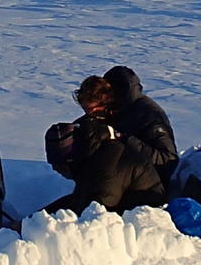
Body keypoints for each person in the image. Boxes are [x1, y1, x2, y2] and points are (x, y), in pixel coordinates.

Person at [43, 75, 167, 215]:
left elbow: (166, 159)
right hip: (117, 179)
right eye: (86, 110)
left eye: (93, 109)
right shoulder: (91, 128)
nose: (90, 115)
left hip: (151, 195)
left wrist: (122, 137)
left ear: (106, 99)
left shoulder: (147, 115)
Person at [100, 65, 178, 185]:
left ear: (119, 92)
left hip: (148, 184)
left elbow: (167, 159)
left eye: (106, 92)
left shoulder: (150, 115)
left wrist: (124, 139)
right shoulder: (118, 109)